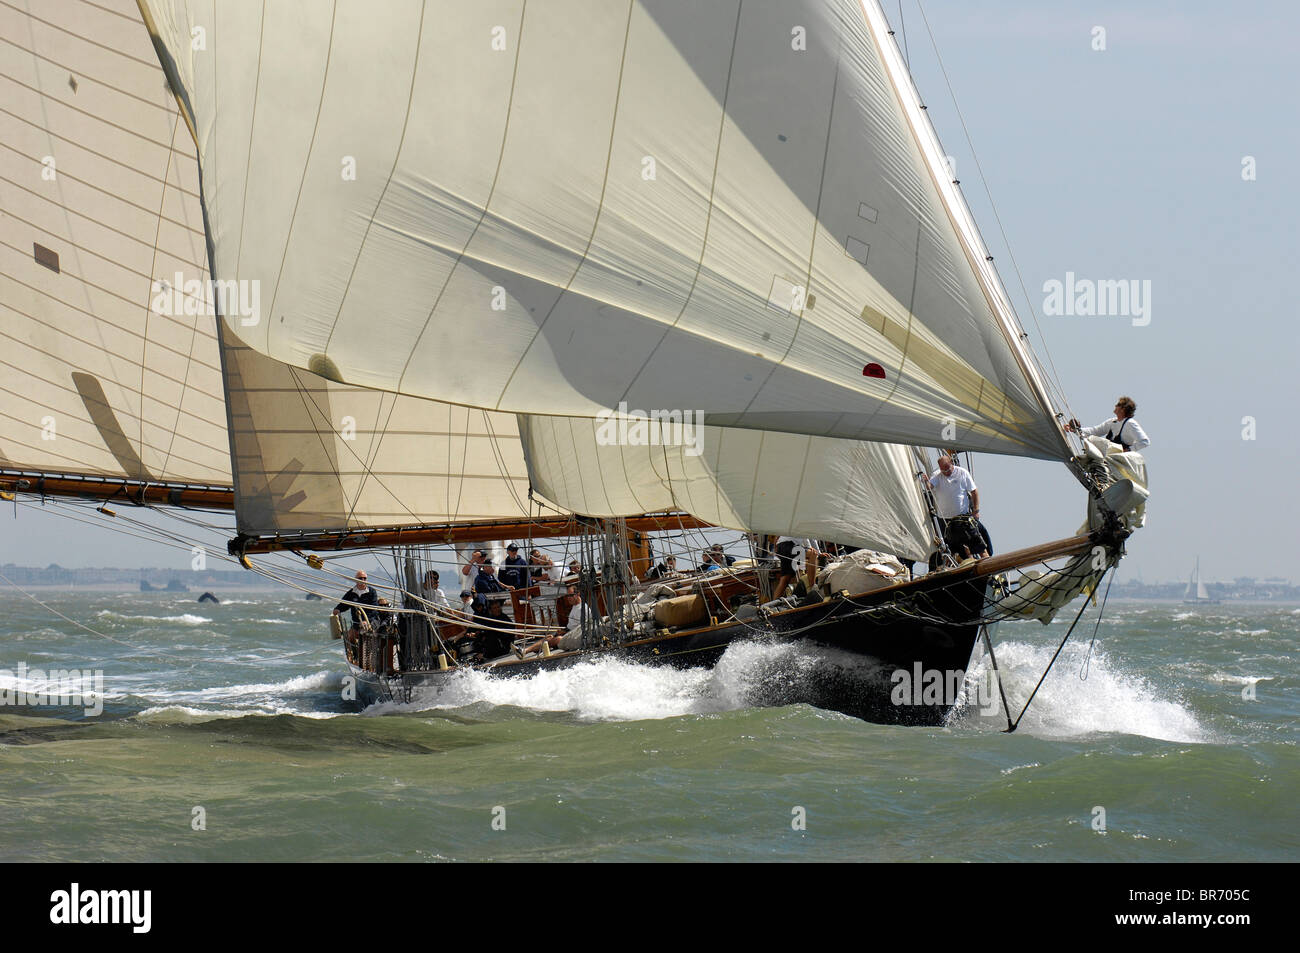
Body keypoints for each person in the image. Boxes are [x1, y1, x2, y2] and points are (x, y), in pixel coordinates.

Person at [920, 455, 987, 560]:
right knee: (951, 547)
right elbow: (929, 486)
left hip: (963, 517)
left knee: (976, 543)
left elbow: (974, 491)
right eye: (943, 470)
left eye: (948, 469)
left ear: (951, 463)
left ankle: (986, 560)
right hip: (945, 520)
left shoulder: (962, 473)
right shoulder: (937, 476)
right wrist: (926, 481)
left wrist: (976, 510)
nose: (946, 472)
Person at [1066, 396, 1150, 452]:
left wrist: (1128, 450)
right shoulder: (1112, 422)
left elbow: (1145, 441)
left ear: (1123, 409)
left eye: (1117, 405)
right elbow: (1094, 431)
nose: (1115, 405)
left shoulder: (1130, 423)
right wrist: (1074, 430)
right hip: (1110, 456)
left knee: (1095, 441)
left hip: (1121, 459)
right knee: (1092, 439)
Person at [524, 588, 588, 655]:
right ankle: (526, 650)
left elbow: (580, 628)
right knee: (549, 637)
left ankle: (527, 650)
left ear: (578, 594)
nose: (568, 598)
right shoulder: (575, 606)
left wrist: (564, 632)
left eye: (571, 595)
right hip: (569, 632)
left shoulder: (582, 609)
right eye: (567, 596)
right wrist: (563, 631)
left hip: (575, 635)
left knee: (556, 639)